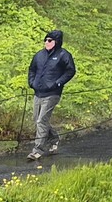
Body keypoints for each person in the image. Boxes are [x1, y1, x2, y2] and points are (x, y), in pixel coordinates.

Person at [26, 28, 76, 161]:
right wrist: (32, 82)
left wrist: (58, 83)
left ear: (56, 42)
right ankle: (54, 139)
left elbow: (70, 71)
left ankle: (37, 150)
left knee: (41, 120)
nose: (46, 42)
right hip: (38, 92)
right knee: (37, 119)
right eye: (45, 40)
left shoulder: (64, 55)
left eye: (49, 40)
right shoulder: (39, 55)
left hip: (52, 93)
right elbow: (32, 70)